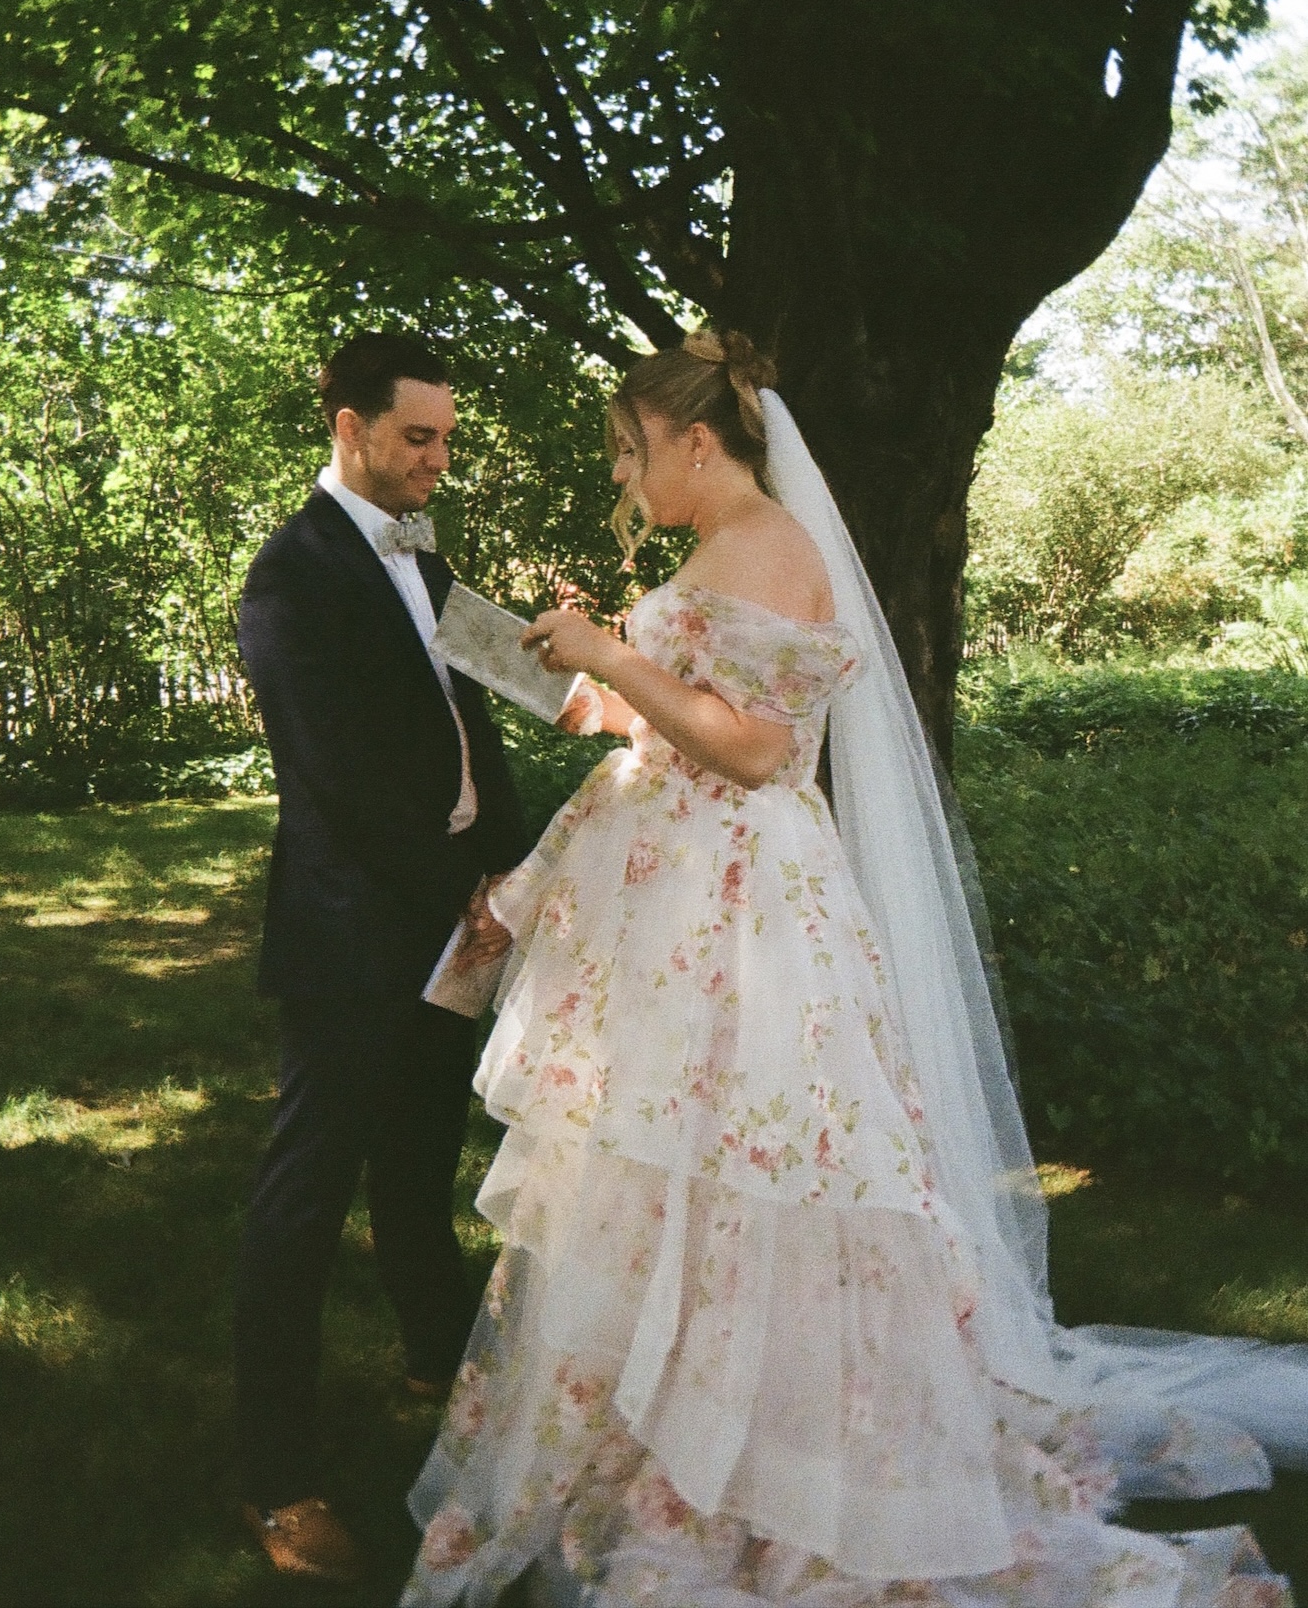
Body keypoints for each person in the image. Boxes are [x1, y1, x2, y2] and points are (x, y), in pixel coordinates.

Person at [401, 329, 1305, 1608]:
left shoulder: (770, 544)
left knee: (751, 1157)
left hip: (743, 914)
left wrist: (616, 657)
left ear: (694, 439)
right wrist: (591, 676)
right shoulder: (721, 553)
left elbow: (762, 750)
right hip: (683, 904)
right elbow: (689, 702)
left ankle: (772, 1451)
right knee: (667, 1165)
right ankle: (660, 1425)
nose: (623, 479)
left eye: (628, 450)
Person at [234, 333, 526, 1585]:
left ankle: (438, 1363)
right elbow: (338, 787)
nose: (438, 461)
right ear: (348, 426)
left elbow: (480, 719)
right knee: (303, 1199)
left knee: (418, 1165)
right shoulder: (288, 582)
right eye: (419, 438)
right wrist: (453, 891)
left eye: (448, 438)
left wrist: (502, 871)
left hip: (449, 914)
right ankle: (275, 1479)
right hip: (354, 929)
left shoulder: (424, 554)